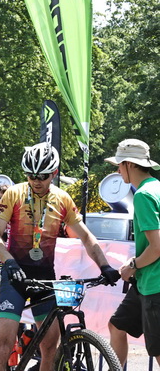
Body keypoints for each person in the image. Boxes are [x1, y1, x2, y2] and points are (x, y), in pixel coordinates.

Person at [0, 142, 120, 371]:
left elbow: (86, 236)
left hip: (44, 276)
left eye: (43, 175)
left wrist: (104, 265)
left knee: (50, 345)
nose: (36, 180)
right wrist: (8, 261)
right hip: (14, 274)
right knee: (4, 345)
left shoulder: (63, 199)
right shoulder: (14, 194)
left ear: (54, 173)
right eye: (31, 175)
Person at [105, 139, 160, 367]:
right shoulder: (157, 187)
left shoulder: (143, 195)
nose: (118, 170)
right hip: (146, 281)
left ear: (129, 164)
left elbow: (157, 247)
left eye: (119, 164)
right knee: (117, 325)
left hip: (155, 284)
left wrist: (132, 266)